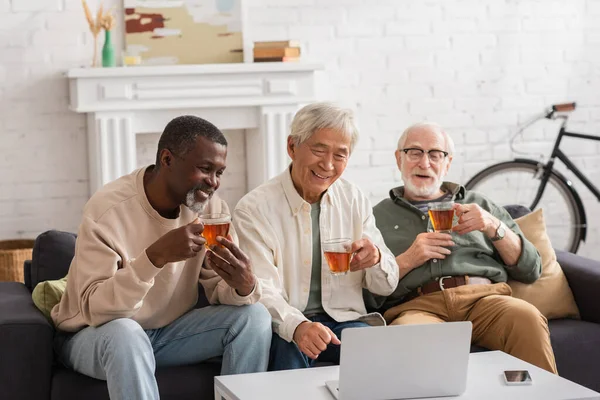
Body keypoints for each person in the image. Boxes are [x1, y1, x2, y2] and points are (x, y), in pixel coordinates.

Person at [51, 116, 272, 400]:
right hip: (93, 336)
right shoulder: (108, 210)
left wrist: (244, 286)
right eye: (205, 169)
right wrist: (155, 257)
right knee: (126, 334)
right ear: (167, 159)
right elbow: (96, 309)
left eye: (219, 172)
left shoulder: (210, 209)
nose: (213, 183)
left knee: (254, 317)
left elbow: (220, 289)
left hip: (167, 335)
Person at [371, 121, 557, 373]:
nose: (424, 163)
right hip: (418, 306)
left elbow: (531, 269)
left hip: (484, 301)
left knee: (526, 318)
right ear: (398, 159)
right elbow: (366, 297)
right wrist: (407, 260)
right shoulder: (375, 218)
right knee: (409, 335)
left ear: (447, 163)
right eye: (414, 152)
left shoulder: (479, 205)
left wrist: (493, 226)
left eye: (435, 154)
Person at [232, 103, 399, 371]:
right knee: (291, 349)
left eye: (340, 155)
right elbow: (260, 288)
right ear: (292, 147)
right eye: (318, 149)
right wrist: (297, 326)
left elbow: (386, 285)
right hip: (288, 323)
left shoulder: (354, 198)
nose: (328, 164)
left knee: (382, 357)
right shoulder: (254, 209)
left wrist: (376, 258)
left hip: (346, 322)